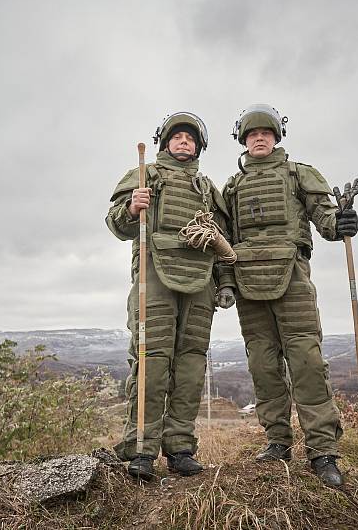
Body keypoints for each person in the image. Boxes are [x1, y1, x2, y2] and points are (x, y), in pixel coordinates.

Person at [222, 104, 358, 487]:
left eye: (266, 133)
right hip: (248, 280)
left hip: (293, 276)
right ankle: (277, 442)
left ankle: (323, 450)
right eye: (252, 134)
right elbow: (220, 238)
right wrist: (225, 282)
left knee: (307, 362)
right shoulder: (232, 187)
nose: (259, 138)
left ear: (276, 137)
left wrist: (340, 222)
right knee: (263, 365)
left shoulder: (299, 173)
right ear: (244, 140)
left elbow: (325, 217)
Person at [106, 112, 236, 480]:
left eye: (190, 139)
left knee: (192, 365)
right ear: (165, 142)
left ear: (199, 146)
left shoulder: (208, 190)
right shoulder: (146, 177)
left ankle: (180, 447)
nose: (184, 142)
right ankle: (141, 449)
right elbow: (116, 224)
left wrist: (225, 283)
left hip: (200, 282)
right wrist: (133, 207)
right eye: (177, 137)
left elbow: (222, 242)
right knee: (152, 361)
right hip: (155, 277)